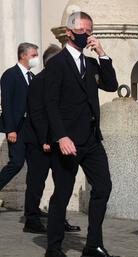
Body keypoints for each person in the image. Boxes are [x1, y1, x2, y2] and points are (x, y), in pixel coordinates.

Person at [43, 11, 120, 257]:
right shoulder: (56, 64)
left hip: (91, 140)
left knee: (103, 187)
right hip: (67, 142)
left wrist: (103, 53)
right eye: (82, 31)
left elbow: (110, 84)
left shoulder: (91, 63)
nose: (86, 36)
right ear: (69, 33)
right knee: (62, 194)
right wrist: (60, 136)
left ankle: (93, 246)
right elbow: (50, 104)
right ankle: (53, 249)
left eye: (90, 31)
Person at [21, 44, 81, 235]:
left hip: (57, 141)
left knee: (62, 183)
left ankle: (59, 219)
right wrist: (44, 140)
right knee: (36, 182)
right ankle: (31, 219)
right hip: (40, 142)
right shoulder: (40, 81)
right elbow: (37, 113)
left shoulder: (62, 80)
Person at [0, 43, 40, 230]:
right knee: (16, 163)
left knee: (35, 167)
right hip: (17, 127)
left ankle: (33, 208)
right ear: (24, 55)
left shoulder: (32, 77)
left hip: (31, 128)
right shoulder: (10, 75)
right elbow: (6, 104)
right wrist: (10, 129)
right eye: (34, 54)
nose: (36, 57)